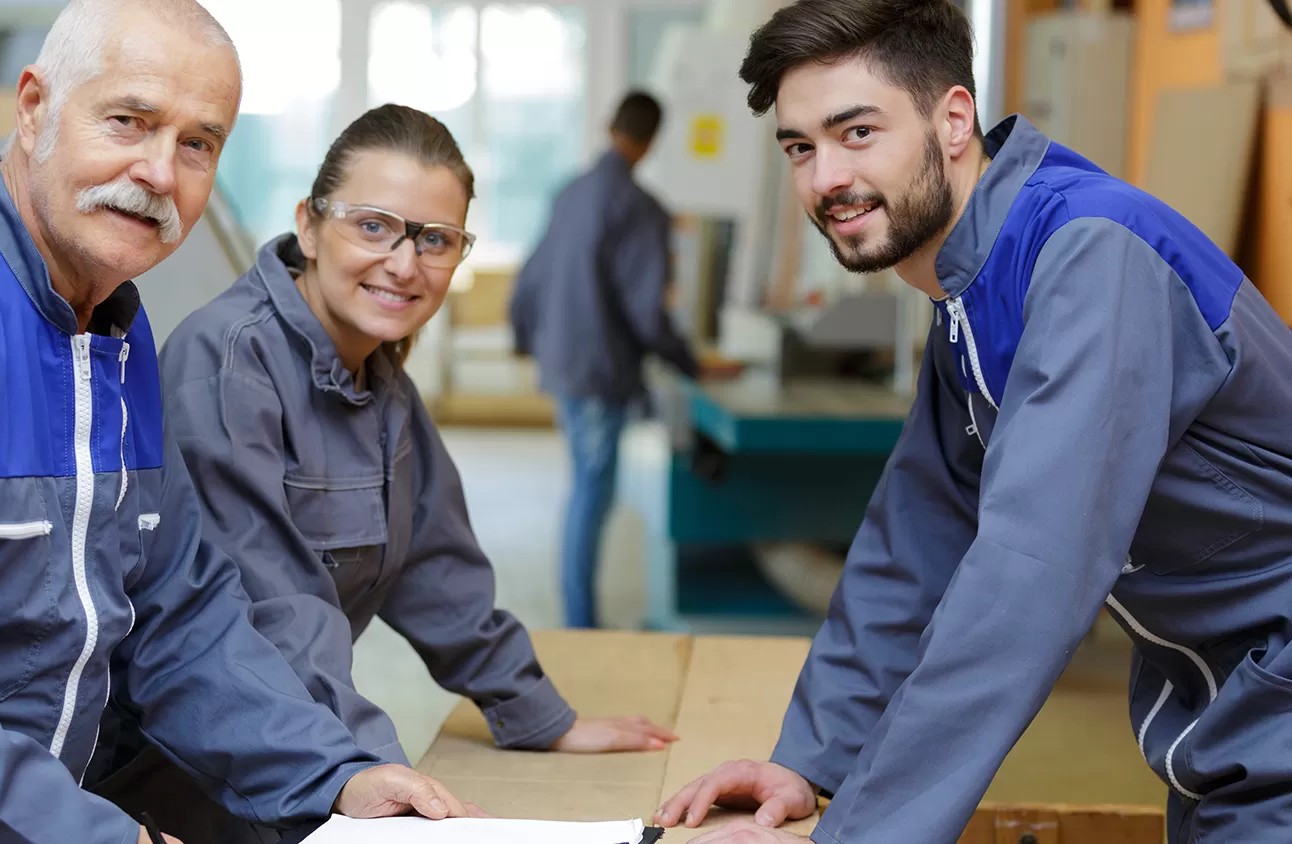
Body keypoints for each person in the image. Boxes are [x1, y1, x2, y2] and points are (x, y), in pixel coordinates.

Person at [0, 3, 470, 843]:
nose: (159, 171)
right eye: (128, 120)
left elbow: (176, 609)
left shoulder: (110, 328)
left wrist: (332, 775)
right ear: (34, 107)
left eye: (198, 144)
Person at [652, 0, 1292, 842]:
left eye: (856, 133)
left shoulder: (1089, 253)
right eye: (801, 148)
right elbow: (919, 529)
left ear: (954, 119)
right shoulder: (970, 286)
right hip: (1225, 717)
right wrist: (812, 760)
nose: (823, 180)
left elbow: (1028, 577)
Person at [96, 102, 680, 843]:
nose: (405, 264)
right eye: (373, 226)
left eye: (436, 239)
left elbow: (437, 568)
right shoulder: (229, 363)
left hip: (295, 748)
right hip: (180, 770)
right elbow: (274, 615)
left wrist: (540, 717)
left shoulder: (378, 377)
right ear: (308, 224)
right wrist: (372, 775)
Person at [509, 91, 703, 630]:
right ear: (651, 141)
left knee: (584, 489)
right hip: (601, 370)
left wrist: (528, 341)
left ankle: (580, 617)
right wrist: (693, 364)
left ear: (608, 125)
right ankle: (581, 625)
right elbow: (647, 312)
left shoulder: (569, 192)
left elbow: (531, 277)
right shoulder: (641, 209)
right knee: (591, 496)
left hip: (564, 362)